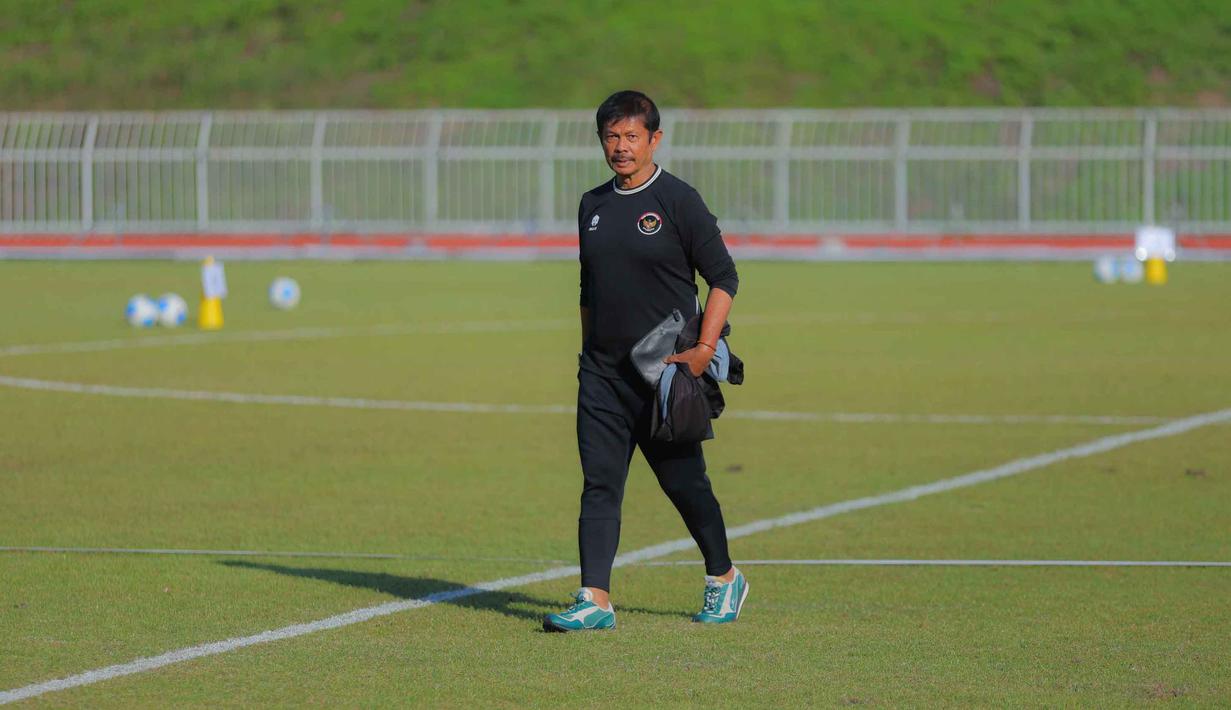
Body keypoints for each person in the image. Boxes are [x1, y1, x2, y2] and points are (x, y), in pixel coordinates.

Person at [543, 90, 748, 632]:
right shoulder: (592, 205)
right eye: (611, 136)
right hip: (601, 376)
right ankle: (595, 599)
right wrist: (588, 356)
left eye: (632, 136)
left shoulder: (679, 200)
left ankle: (724, 576)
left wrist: (703, 351)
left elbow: (724, 277)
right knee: (600, 483)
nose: (621, 146)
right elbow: (587, 288)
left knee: (685, 485)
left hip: (665, 376)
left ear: (654, 139)